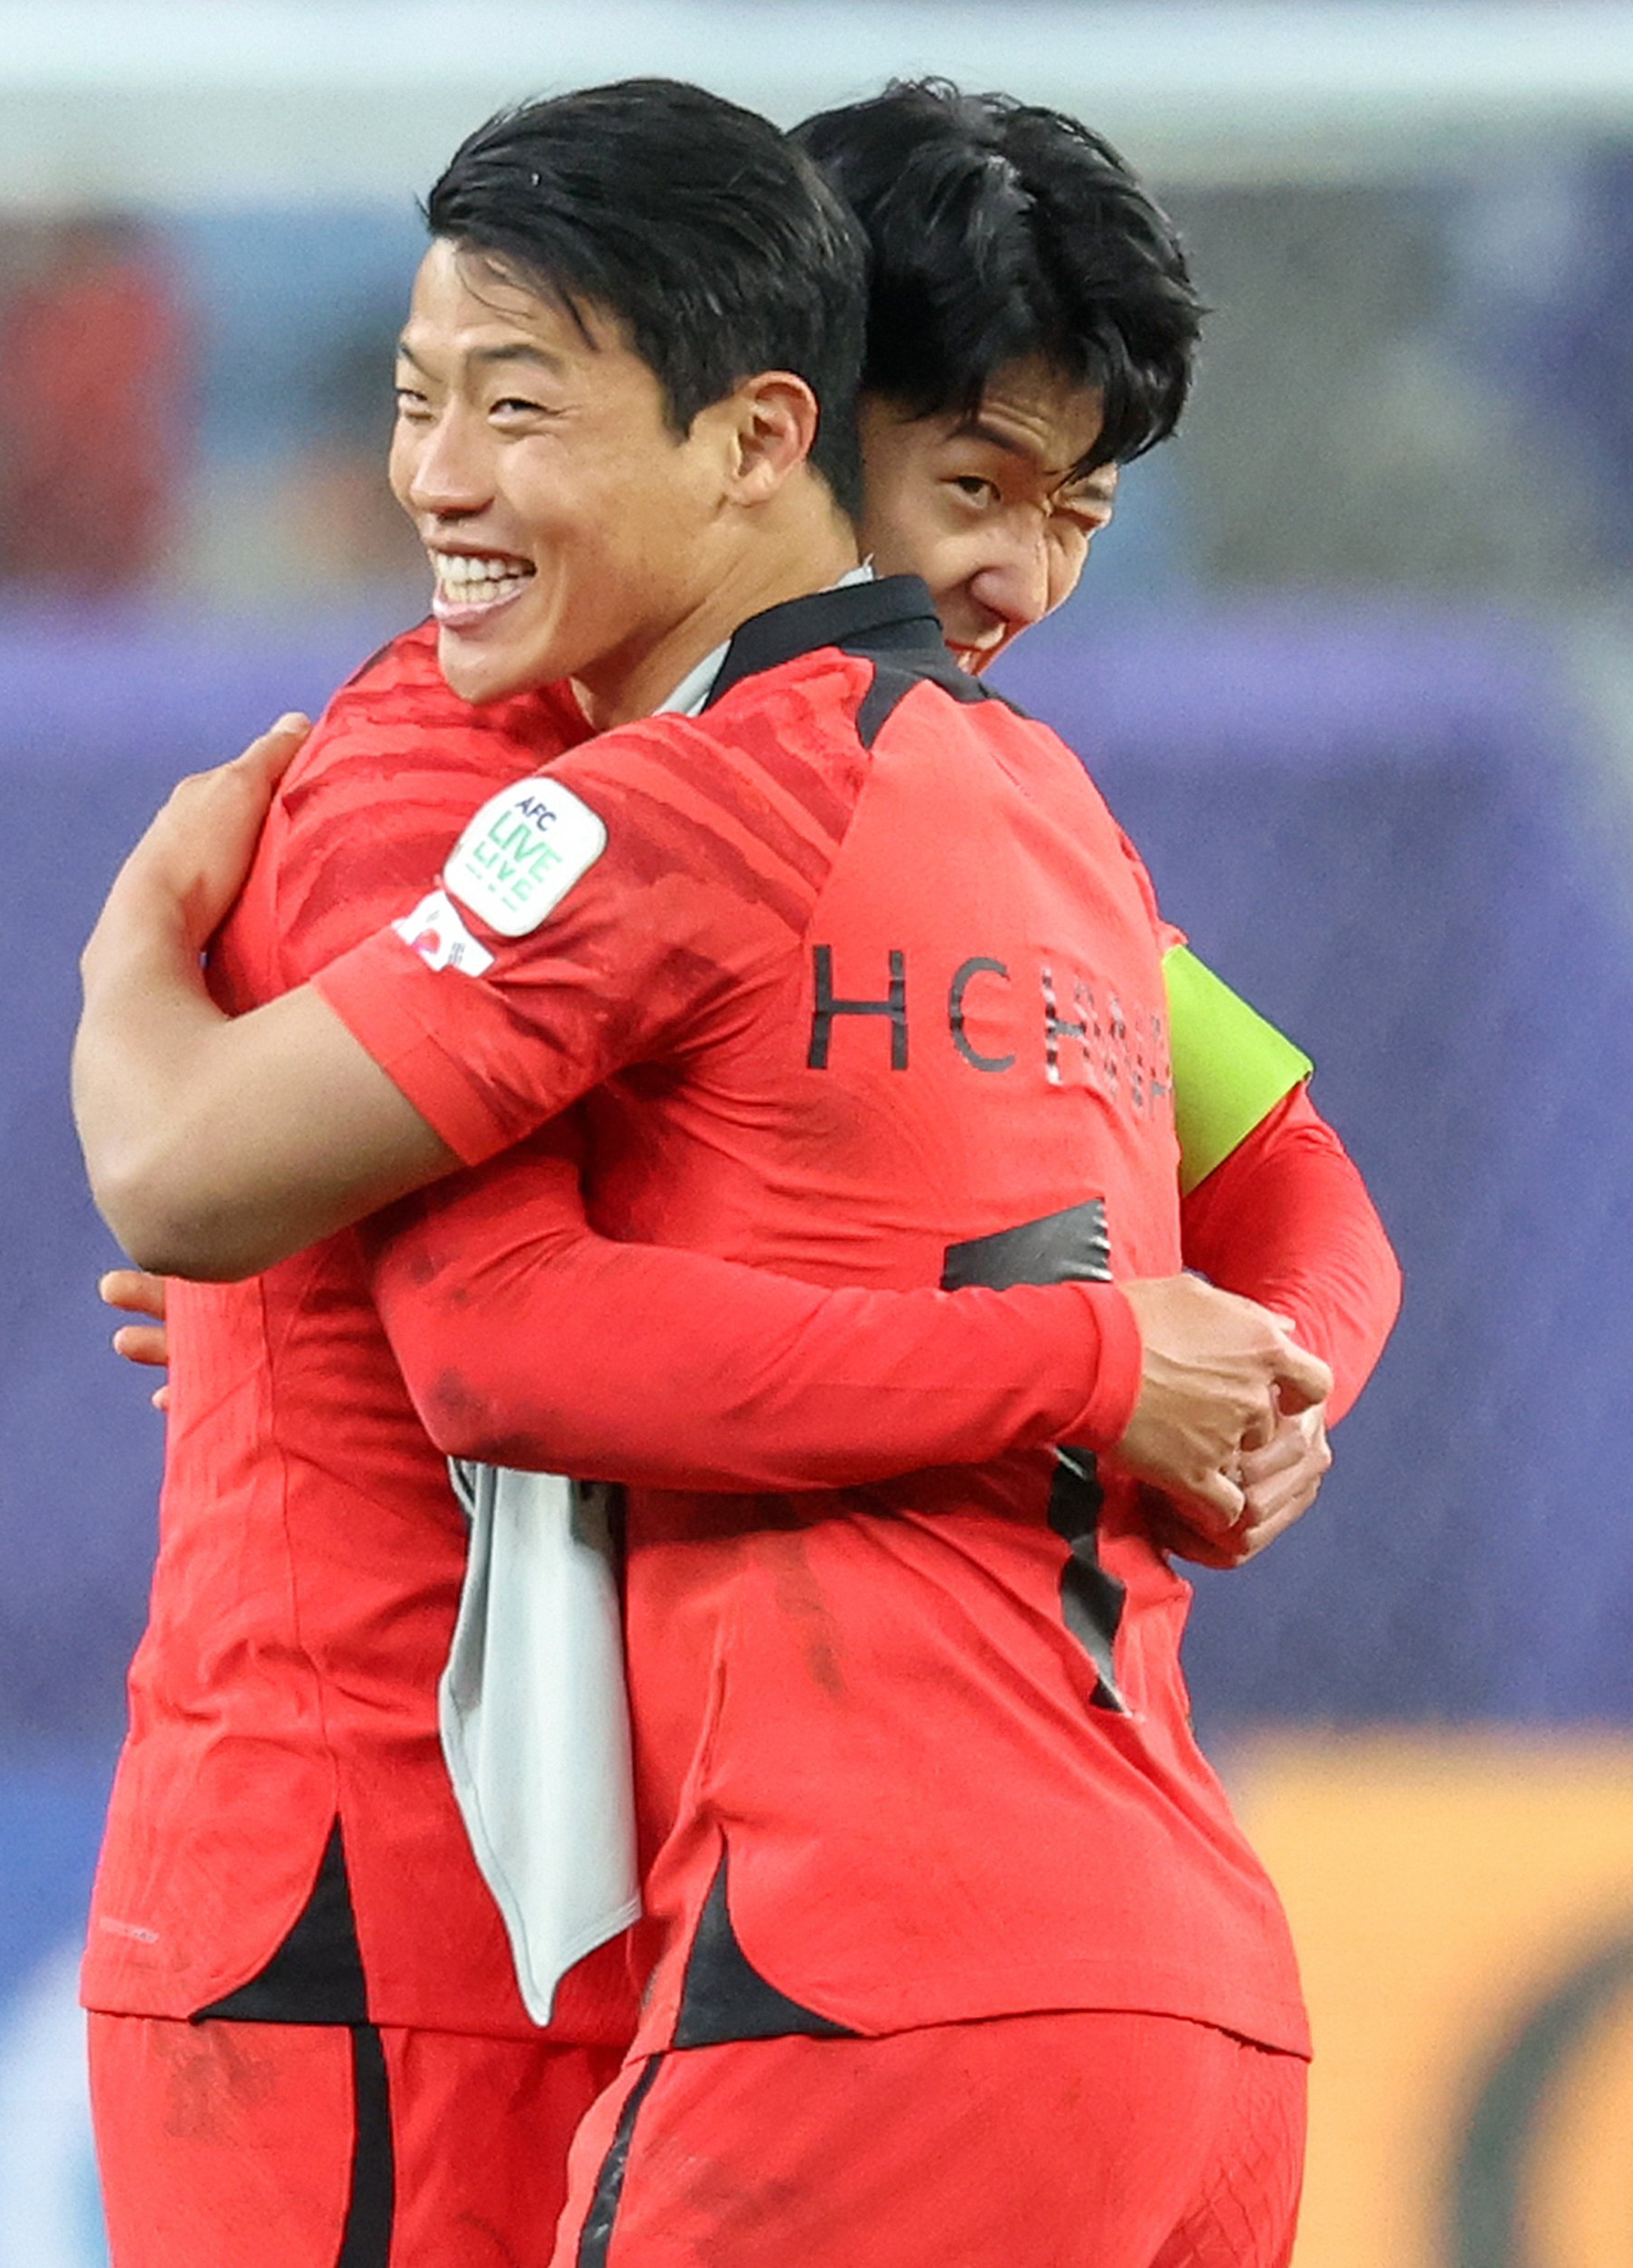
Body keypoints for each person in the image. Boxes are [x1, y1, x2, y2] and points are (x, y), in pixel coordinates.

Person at [75, 79, 1358, 2268]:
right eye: (967, 483)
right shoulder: (478, 768)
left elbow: (1299, 1178)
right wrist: (1102, 1367)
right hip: (382, 1922)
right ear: (789, 421)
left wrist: (1256, 1394)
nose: (1011, 577)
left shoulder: (918, 792)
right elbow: (347, 1271)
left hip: (741, 1935)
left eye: (1075, 512)